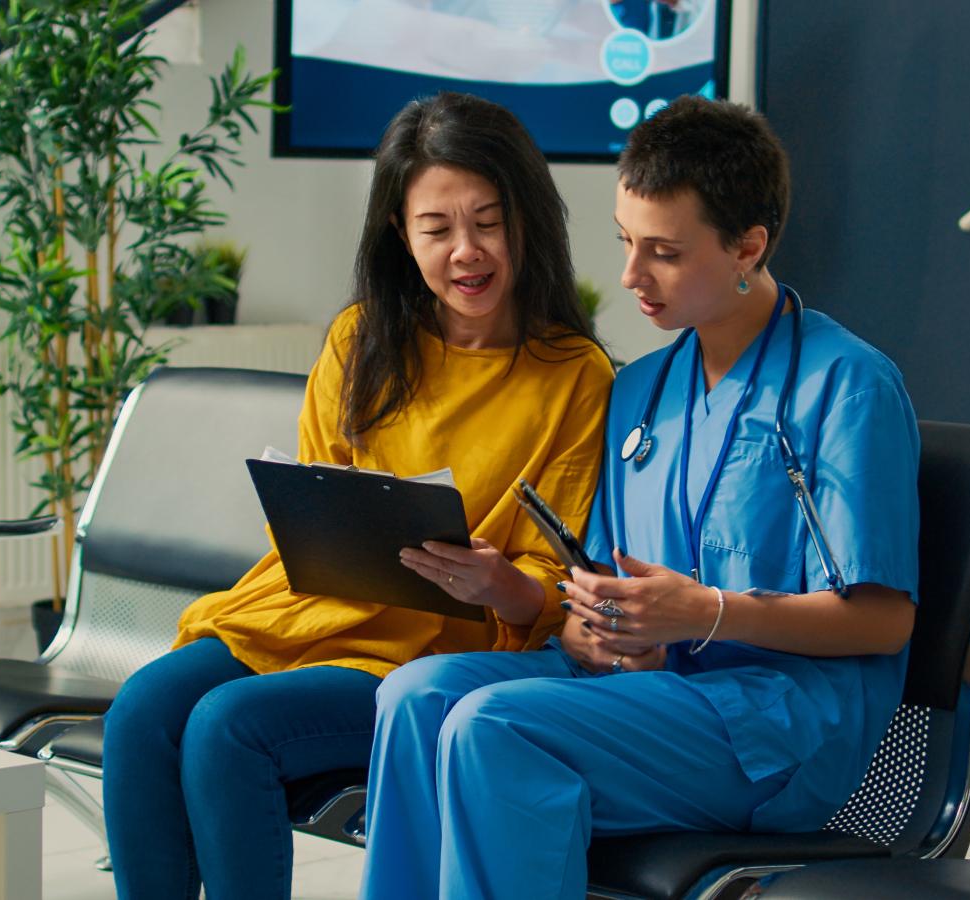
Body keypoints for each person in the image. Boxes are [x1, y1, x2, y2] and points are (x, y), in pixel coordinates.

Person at [360, 96, 920, 899]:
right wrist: (594, 626)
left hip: (771, 723)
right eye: (626, 243)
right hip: (644, 689)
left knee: (497, 730)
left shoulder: (848, 387)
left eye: (662, 252)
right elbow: (597, 578)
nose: (630, 277)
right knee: (414, 696)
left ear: (748, 248)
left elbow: (885, 618)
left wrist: (707, 614)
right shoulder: (641, 390)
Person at [100, 92, 613, 900]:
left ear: (528, 220)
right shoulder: (360, 340)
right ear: (400, 236)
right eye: (437, 229)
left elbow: (556, 582)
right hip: (308, 612)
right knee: (139, 714)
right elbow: (311, 503)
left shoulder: (575, 375)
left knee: (225, 729)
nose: (466, 252)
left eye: (488, 221)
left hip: (431, 652)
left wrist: (500, 584)